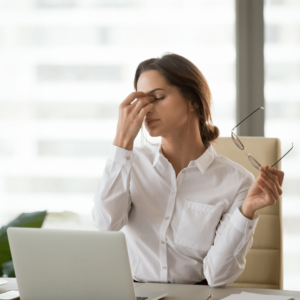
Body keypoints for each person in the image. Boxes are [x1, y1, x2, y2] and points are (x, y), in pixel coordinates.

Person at [92, 53, 284, 287]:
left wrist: (246, 213)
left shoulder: (237, 182)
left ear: (193, 100)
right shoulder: (129, 163)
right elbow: (106, 224)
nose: (146, 110)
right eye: (141, 102)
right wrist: (122, 141)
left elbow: (217, 276)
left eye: (158, 97)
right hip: (134, 292)